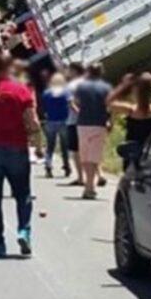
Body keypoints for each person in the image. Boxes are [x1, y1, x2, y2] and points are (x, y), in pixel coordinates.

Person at [0, 53, 42, 258]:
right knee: (23, 195)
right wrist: (37, 144)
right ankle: (23, 232)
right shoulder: (21, 90)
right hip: (16, 148)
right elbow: (33, 122)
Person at [107, 72, 151, 167]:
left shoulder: (131, 110)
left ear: (135, 93)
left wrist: (124, 85)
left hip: (132, 152)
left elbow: (109, 101)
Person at [73, 63, 113, 199]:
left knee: (85, 156)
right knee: (94, 156)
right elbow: (110, 106)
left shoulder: (81, 87)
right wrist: (110, 121)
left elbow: (76, 102)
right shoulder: (106, 88)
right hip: (99, 124)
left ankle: (89, 186)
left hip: (83, 123)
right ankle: (90, 186)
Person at [40, 72, 71, 178]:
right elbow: (70, 103)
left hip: (50, 120)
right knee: (64, 146)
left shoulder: (46, 93)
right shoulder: (66, 92)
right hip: (64, 121)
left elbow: (42, 106)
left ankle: (48, 165)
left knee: (50, 145)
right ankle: (66, 166)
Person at [64, 62, 85, 186]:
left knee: (76, 151)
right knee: (89, 150)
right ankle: (97, 176)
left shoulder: (71, 86)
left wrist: (79, 113)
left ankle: (81, 177)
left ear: (74, 72)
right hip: (90, 120)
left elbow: (71, 104)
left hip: (74, 121)